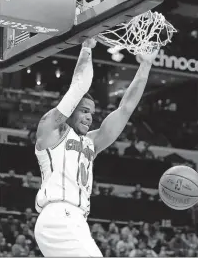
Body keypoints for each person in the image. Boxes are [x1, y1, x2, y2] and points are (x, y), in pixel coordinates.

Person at [34, 37, 159, 257]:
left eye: (92, 112)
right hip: (59, 215)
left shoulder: (91, 142)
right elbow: (78, 86)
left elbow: (125, 109)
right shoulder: (51, 129)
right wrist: (86, 48)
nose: (90, 117)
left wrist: (145, 65)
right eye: (84, 110)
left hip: (76, 219)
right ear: (71, 110)